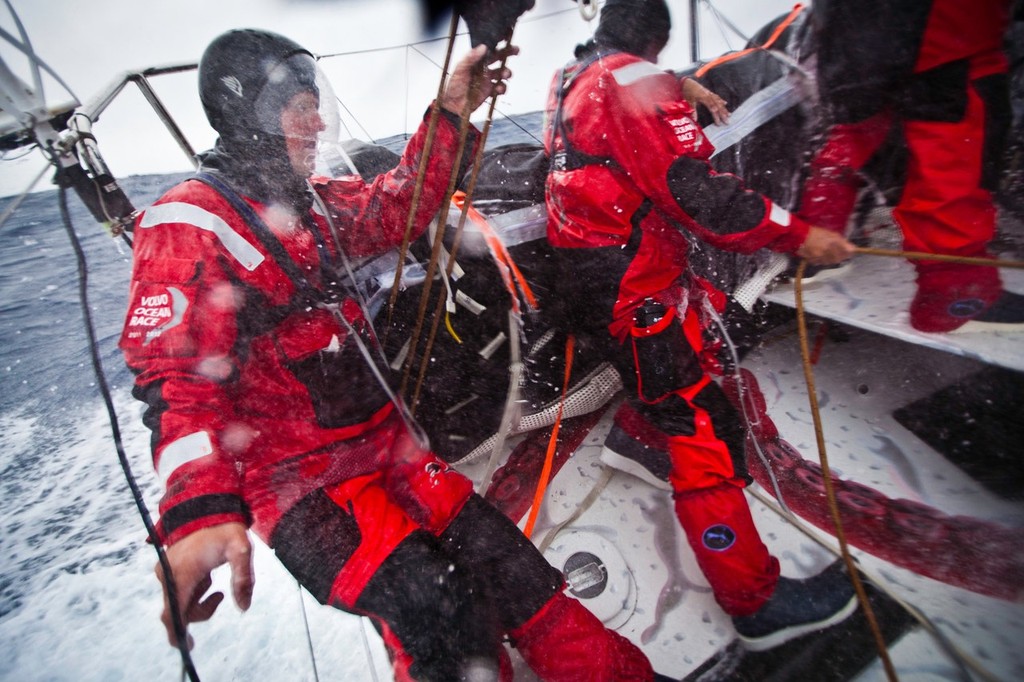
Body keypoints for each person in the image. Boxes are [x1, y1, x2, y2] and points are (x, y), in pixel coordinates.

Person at [119, 28, 655, 681]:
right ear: (250, 117)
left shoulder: (313, 203)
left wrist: (453, 110)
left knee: (515, 570)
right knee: (444, 617)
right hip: (303, 490)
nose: (317, 122)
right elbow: (175, 377)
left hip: (390, 450)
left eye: (318, 105)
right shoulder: (191, 220)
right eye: (299, 109)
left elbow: (402, 203)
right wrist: (200, 513)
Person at [542, 0, 858, 652]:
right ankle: (755, 601)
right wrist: (802, 237)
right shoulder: (635, 82)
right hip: (634, 296)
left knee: (683, 363)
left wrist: (680, 86)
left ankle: (639, 434)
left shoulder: (569, 78)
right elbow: (703, 196)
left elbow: (614, 96)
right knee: (706, 430)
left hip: (589, 283)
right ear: (654, 41)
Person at [798, 0, 1023, 333]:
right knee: (954, 144)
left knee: (854, 125)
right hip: (942, 29)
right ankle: (955, 292)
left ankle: (813, 252)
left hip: (850, 28)